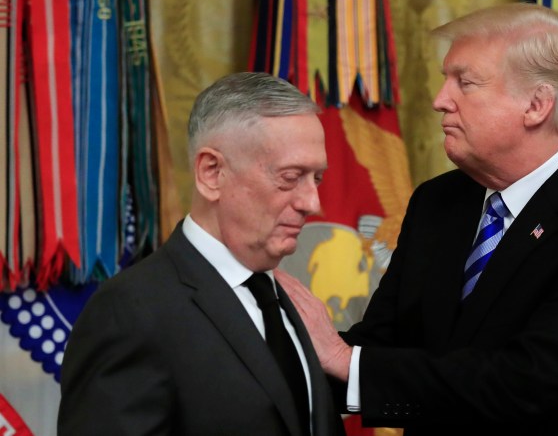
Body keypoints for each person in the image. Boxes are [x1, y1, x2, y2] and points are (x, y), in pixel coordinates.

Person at [277, 2, 558, 436]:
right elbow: (386, 344)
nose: (439, 100)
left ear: (536, 105)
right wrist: (270, 365)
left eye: (464, 83)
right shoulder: (437, 202)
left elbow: (523, 384)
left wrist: (343, 361)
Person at [58, 72, 346, 436]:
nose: (313, 203)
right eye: (290, 177)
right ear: (212, 172)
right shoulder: (130, 311)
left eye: (316, 178)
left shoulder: (289, 300)